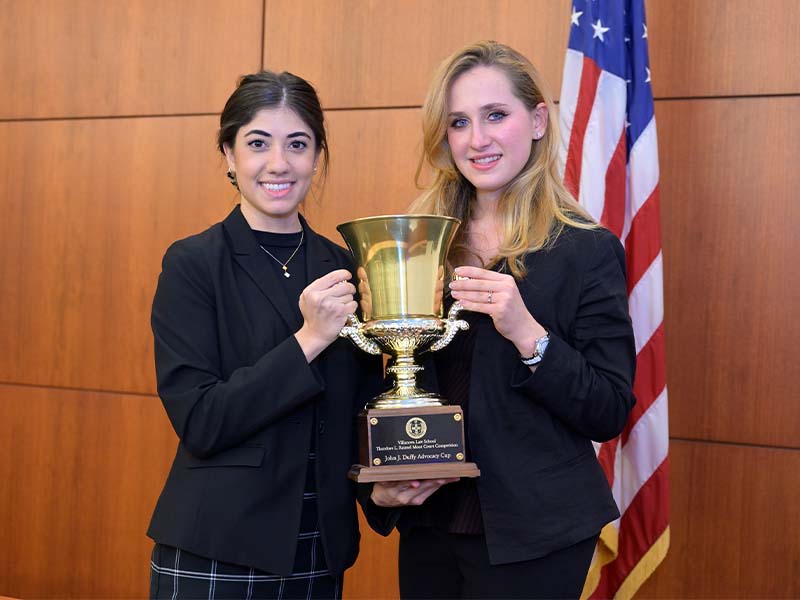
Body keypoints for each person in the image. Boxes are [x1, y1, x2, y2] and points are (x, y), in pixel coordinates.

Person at [364, 41, 637, 599]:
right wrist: (379, 484)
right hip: (430, 521)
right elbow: (377, 380)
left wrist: (527, 333)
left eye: (496, 115)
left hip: (538, 531)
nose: (477, 139)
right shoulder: (415, 244)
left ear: (537, 120)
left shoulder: (586, 250)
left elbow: (608, 408)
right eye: (459, 122)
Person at [147, 70, 382, 599]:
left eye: (297, 144)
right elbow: (202, 421)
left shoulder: (346, 265)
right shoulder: (193, 264)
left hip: (319, 548)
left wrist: (391, 481)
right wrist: (310, 338)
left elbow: (361, 410)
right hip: (218, 545)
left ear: (317, 155)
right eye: (258, 143)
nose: (279, 163)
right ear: (229, 154)